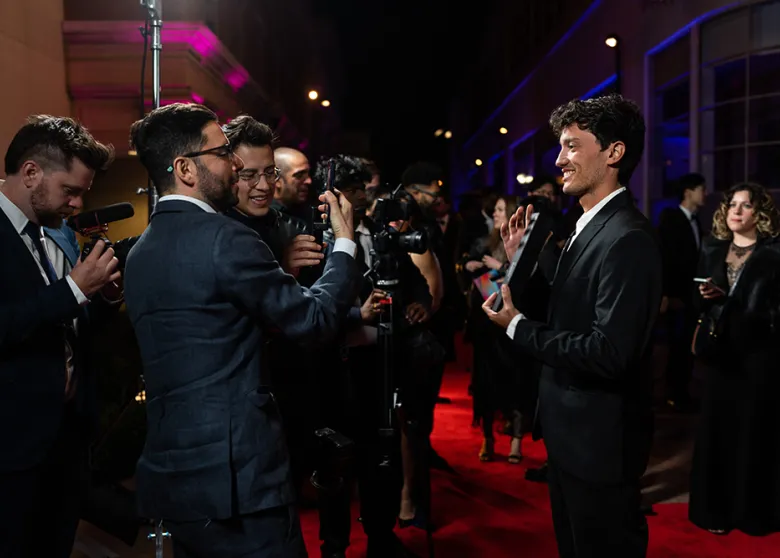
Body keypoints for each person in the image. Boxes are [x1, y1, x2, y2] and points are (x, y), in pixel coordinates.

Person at [123, 103, 360, 558]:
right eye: (222, 152)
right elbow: (313, 322)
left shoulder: (141, 251)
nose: (233, 163)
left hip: (176, 477)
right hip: (238, 477)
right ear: (185, 168)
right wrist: (345, 246)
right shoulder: (226, 239)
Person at [482, 94, 661, 558]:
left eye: (571, 146)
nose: (559, 159)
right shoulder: (590, 224)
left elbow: (608, 353)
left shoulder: (629, 238)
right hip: (572, 438)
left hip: (600, 445)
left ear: (614, 153)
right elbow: (567, 305)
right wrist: (520, 254)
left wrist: (519, 327)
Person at [0, 115, 118, 558]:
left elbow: (69, 328)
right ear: (31, 172)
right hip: (10, 449)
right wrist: (72, 290)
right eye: (70, 190)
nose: (77, 202)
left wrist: (101, 298)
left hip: (66, 442)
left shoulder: (62, 234)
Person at [689, 182, 780, 537]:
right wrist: (705, 297)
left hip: (759, 357)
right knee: (718, 431)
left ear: (760, 214)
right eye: (732, 205)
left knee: (753, 433)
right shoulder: (712, 249)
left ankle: (753, 513)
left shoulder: (773, 255)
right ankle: (716, 511)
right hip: (719, 355)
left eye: (745, 205)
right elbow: (694, 301)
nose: (736, 211)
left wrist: (735, 303)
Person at [657, 173, 706, 410]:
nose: (704, 194)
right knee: (676, 345)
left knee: (686, 344)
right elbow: (665, 257)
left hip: (690, 295)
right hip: (676, 295)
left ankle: (681, 393)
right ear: (688, 192)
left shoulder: (696, 220)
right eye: (700, 189)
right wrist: (665, 293)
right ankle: (672, 394)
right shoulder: (671, 218)